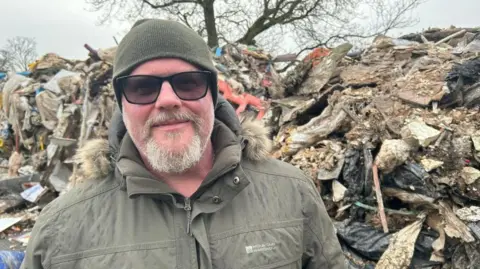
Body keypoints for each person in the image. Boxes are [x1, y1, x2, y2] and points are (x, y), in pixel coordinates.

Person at [21, 19, 346, 269]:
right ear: (122, 104)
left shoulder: (291, 193)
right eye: (142, 87)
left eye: (187, 83)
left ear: (213, 96)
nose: (167, 100)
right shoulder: (61, 230)